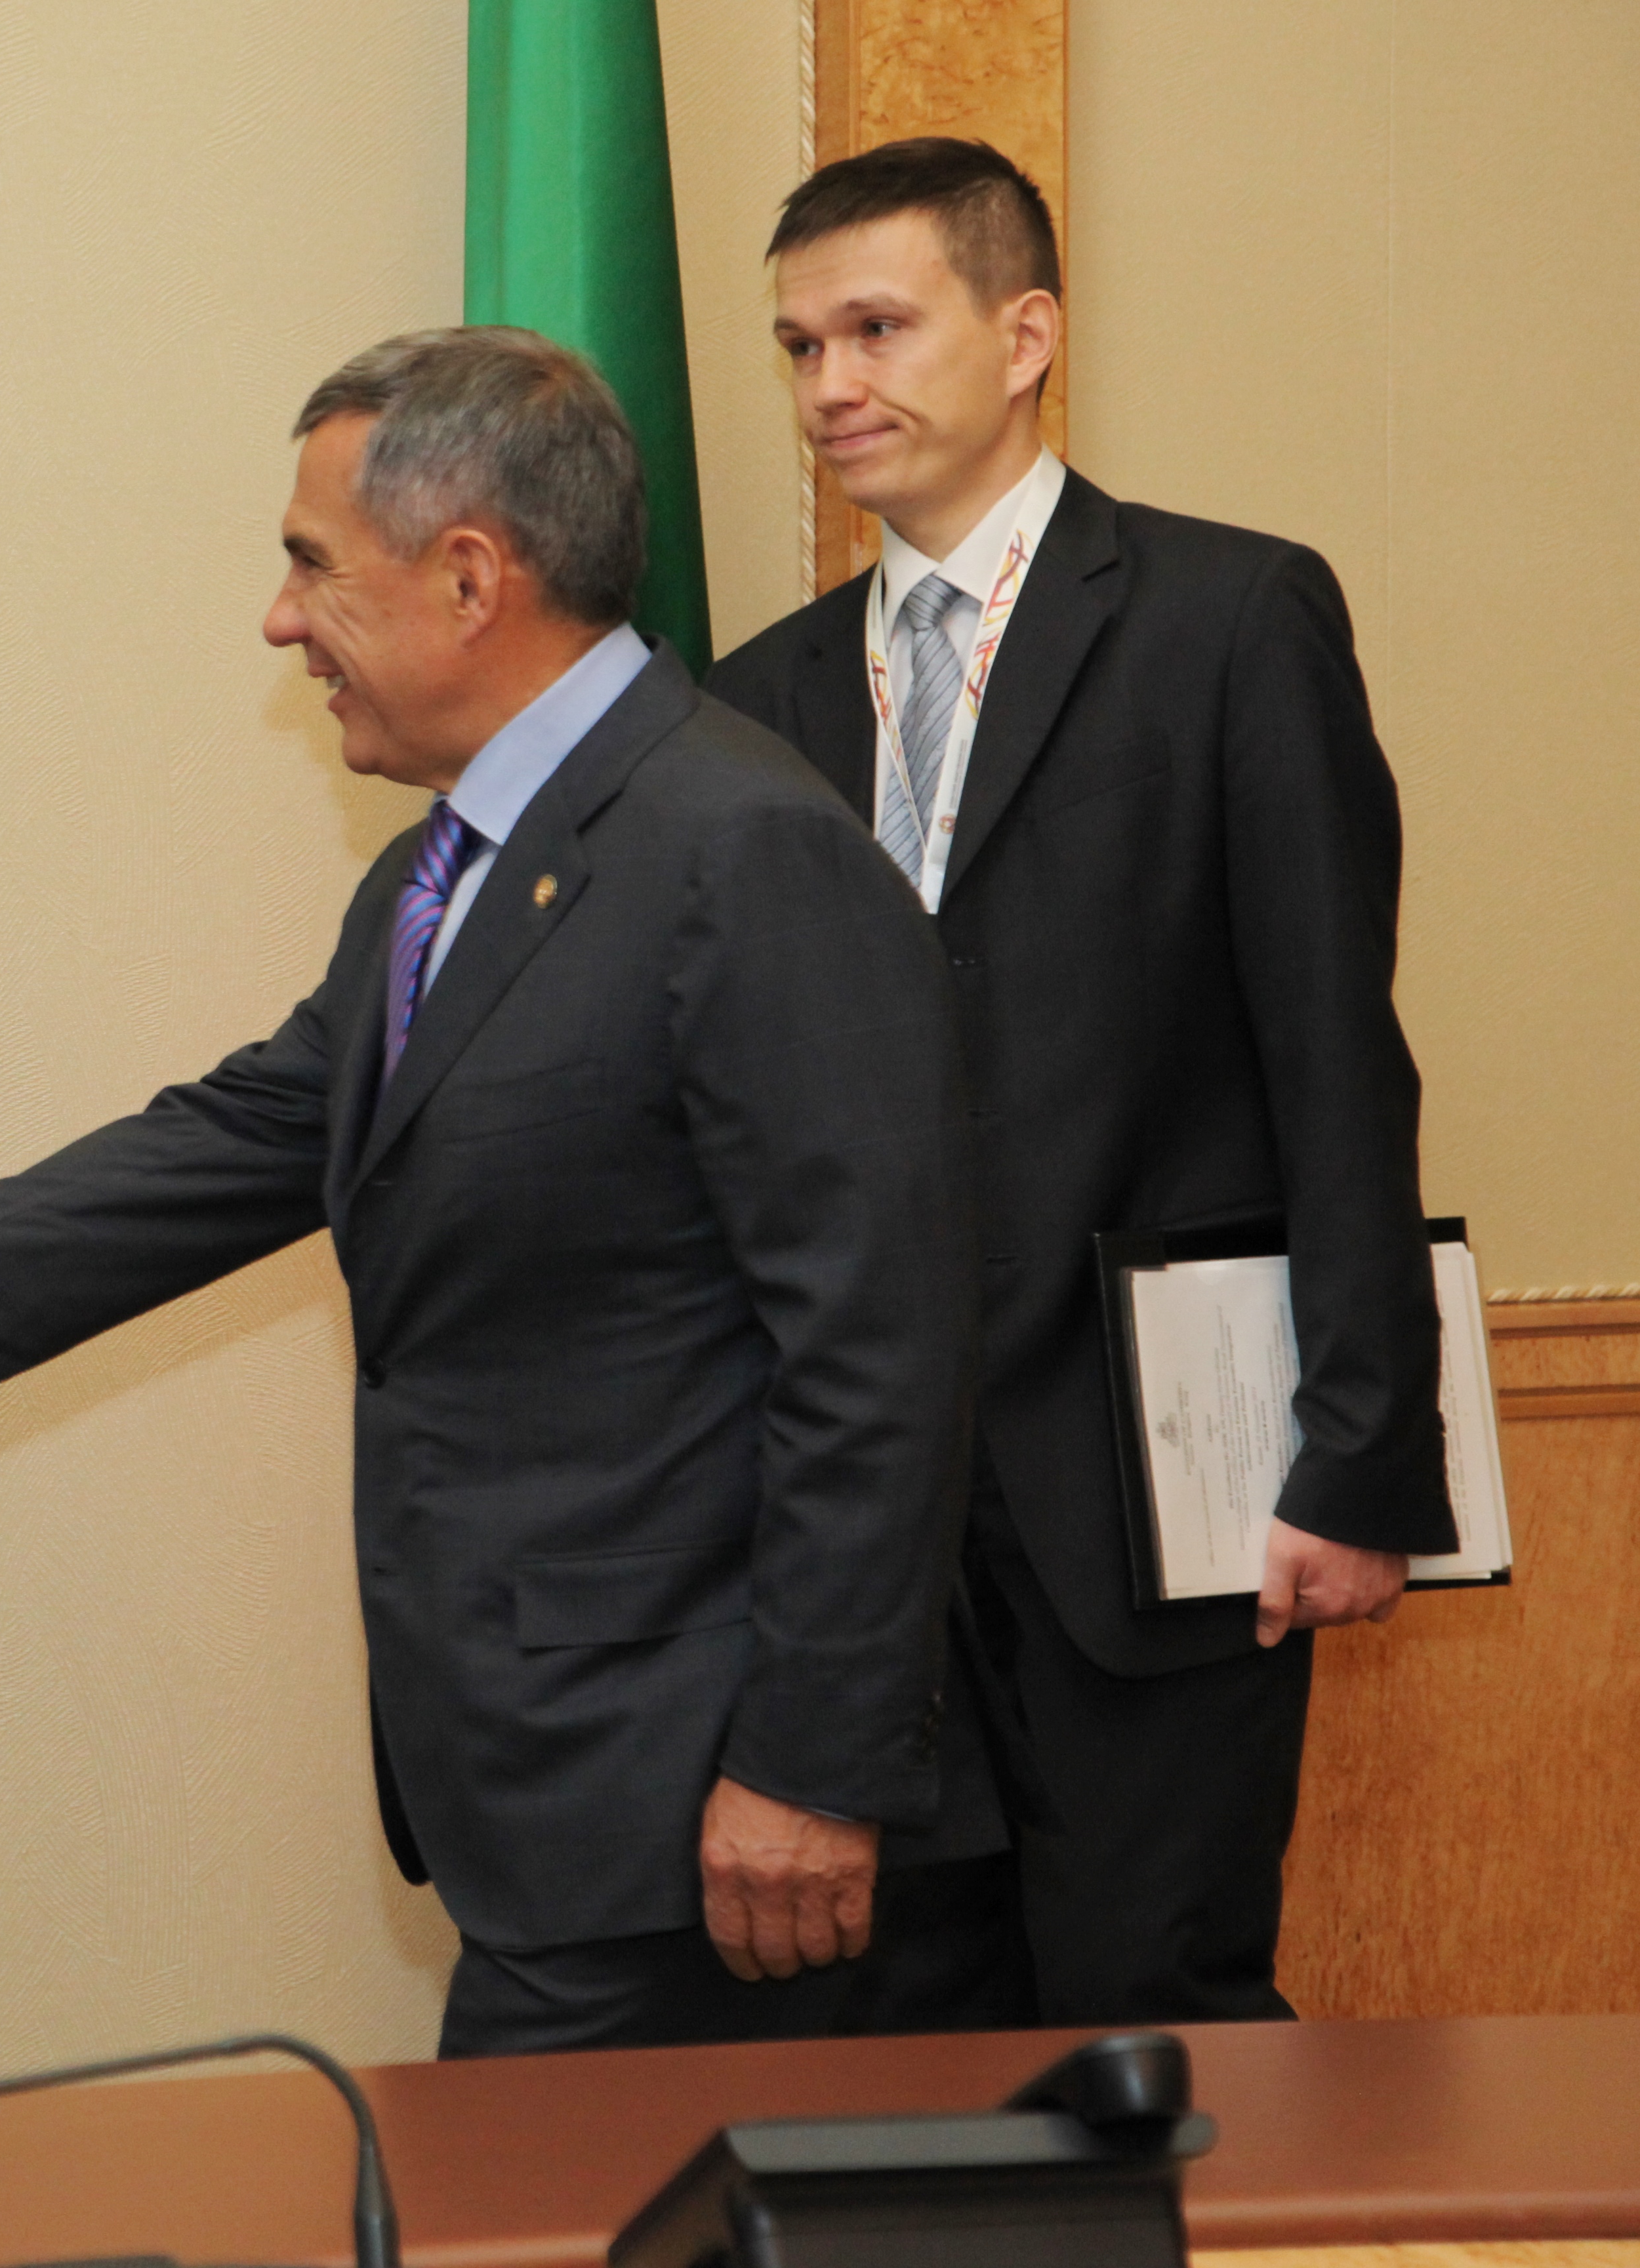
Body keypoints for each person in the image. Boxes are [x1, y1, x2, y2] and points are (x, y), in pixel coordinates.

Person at [0, 328, 984, 2055]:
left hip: (706, 1815)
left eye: (310, 564)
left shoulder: (740, 847)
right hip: (559, 1801)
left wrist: (813, 1764)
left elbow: (880, 1346)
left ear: (470, 577)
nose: (279, 622)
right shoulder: (445, 870)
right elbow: (240, 1141)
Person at [701, 139, 1455, 2027]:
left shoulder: (1227, 619)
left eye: (877, 328)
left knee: (1152, 2024)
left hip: (1162, 1496)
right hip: (869, 1539)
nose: (830, 384)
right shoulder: (753, 699)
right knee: (904, 2063)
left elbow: (1334, 1052)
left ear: (1025, 333)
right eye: (798, 346)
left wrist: (1363, 1451)